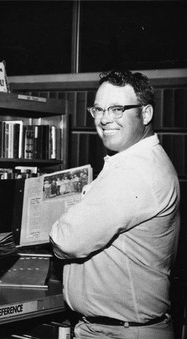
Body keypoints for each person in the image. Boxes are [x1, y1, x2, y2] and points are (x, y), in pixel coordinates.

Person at [50, 70, 180, 339]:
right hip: (114, 328)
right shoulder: (132, 159)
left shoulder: (135, 170)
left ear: (145, 114)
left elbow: (67, 239)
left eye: (118, 109)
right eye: (98, 109)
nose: (105, 118)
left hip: (120, 333)